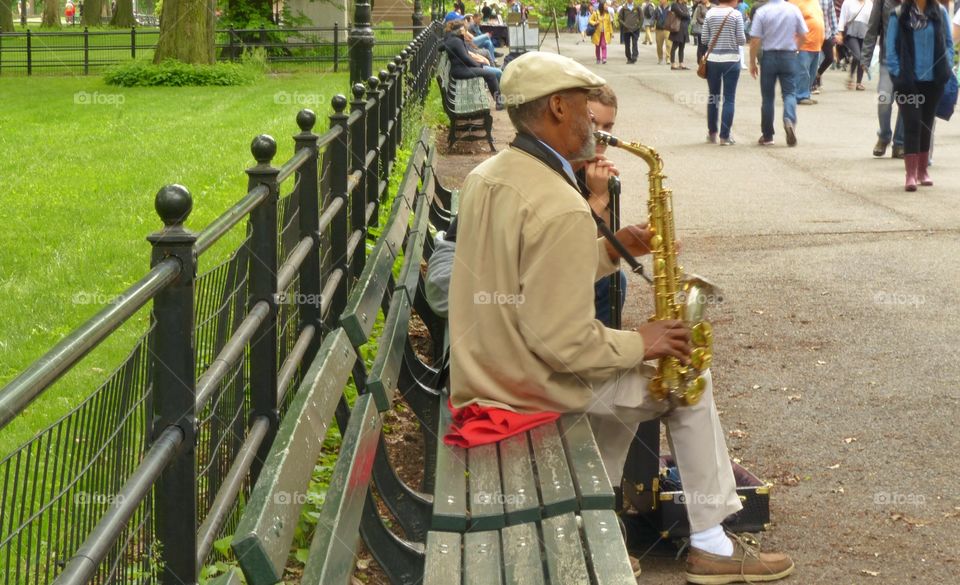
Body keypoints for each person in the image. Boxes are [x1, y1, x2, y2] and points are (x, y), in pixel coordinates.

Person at [445, 50, 796, 585]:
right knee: (686, 379)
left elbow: (522, 277)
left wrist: (611, 249)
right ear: (559, 108)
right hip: (527, 385)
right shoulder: (558, 202)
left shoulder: (489, 175)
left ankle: (598, 523)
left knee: (626, 393)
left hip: (486, 369)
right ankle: (710, 541)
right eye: (587, 106)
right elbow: (564, 344)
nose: (594, 122)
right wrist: (644, 341)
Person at [425, 85, 626, 326]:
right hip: (458, 276)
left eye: (608, 127)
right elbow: (556, 252)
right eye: (592, 122)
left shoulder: (596, 176)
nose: (600, 136)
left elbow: (580, 256)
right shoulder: (536, 166)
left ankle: (582, 352)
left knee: (611, 280)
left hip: (513, 271)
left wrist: (603, 201)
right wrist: (596, 201)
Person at [886, 0, 954, 190]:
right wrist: (898, 74)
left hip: (933, 81)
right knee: (912, 123)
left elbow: (949, 43)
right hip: (908, 81)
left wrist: (945, 66)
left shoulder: (940, 12)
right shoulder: (898, 14)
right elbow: (890, 49)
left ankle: (923, 171)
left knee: (926, 124)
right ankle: (910, 175)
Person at [749, 0, 809, 145]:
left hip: (768, 56)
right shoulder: (793, 10)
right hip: (788, 56)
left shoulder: (762, 11)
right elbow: (804, 35)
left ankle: (768, 136)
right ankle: (789, 119)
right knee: (789, 93)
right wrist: (795, 49)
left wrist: (752, 62)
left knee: (768, 97)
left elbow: (755, 39)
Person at [863, 0, 907, 157]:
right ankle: (884, 136)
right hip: (888, 59)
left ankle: (900, 143)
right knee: (883, 99)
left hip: (910, 61)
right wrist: (866, 57)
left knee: (907, 102)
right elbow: (873, 26)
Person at [701, 0, 747, 144]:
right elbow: (741, 39)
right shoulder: (736, 14)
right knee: (729, 98)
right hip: (731, 60)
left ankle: (712, 132)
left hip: (713, 59)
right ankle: (724, 136)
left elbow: (703, 39)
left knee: (713, 97)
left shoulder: (710, 13)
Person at [443, 18, 504, 110]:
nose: (466, 31)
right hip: (461, 71)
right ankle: (499, 102)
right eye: (464, 29)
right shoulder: (456, 41)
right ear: (459, 30)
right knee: (490, 75)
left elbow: (442, 47)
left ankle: (500, 100)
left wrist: (479, 65)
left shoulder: (454, 39)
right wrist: (479, 66)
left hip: (461, 69)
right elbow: (465, 58)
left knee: (490, 74)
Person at [793, 0, 826, 105]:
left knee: (811, 73)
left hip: (816, 45)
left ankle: (805, 94)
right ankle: (799, 95)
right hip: (804, 44)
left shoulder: (815, 2)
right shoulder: (795, 2)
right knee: (803, 72)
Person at [839, 0, 875, 89]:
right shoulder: (848, 2)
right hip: (851, 33)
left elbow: (872, 20)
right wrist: (840, 33)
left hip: (864, 33)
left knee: (862, 58)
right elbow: (842, 18)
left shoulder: (869, 4)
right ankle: (851, 76)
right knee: (857, 56)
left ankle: (859, 82)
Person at [812, 0, 841, 93]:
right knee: (815, 59)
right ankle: (813, 84)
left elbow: (832, 17)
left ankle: (817, 75)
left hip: (825, 34)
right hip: (812, 33)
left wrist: (835, 33)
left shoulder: (828, 1)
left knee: (830, 58)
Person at [669, 0, 693, 69]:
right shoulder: (675, 5)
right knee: (675, 46)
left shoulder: (684, 5)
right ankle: (673, 63)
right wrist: (686, 14)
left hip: (684, 28)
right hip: (677, 28)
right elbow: (681, 14)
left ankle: (681, 63)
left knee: (682, 47)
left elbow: (687, 15)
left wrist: (686, 15)